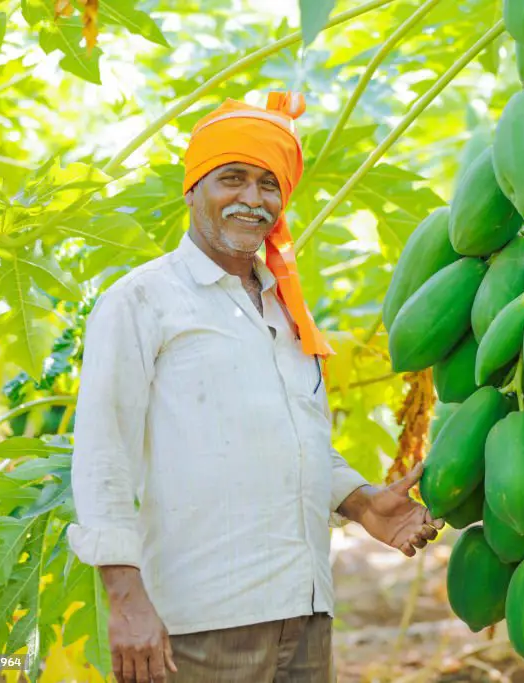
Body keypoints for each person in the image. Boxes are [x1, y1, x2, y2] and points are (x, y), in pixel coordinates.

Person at [68, 91, 444, 683]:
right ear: (193, 188)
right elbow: (102, 456)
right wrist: (125, 600)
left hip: (306, 610)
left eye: (269, 183)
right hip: (202, 621)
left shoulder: (286, 308)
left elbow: (291, 440)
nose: (252, 198)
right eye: (232, 178)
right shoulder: (141, 301)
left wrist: (362, 501)